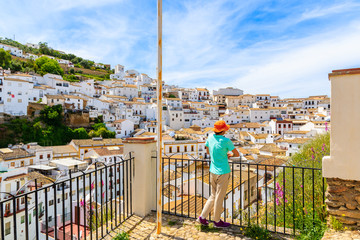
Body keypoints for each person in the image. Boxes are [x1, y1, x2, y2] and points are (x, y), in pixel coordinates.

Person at [198, 120, 239, 228]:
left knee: (213, 195)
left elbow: (208, 152)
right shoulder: (226, 141)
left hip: (213, 171)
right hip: (223, 172)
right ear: (223, 130)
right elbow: (236, 154)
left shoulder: (210, 138)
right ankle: (217, 221)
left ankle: (202, 217)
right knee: (219, 197)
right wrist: (227, 155)